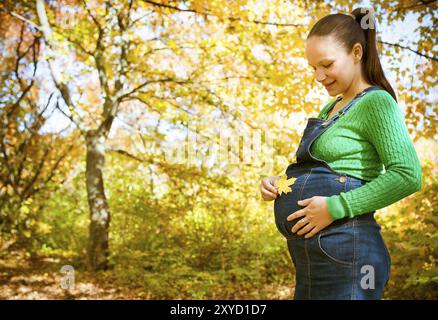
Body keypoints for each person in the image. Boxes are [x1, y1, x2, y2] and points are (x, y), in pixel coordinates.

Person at [259, 8, 422, 300]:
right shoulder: (331, 108)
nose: (319, 76)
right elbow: (317, 170)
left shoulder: (377, 102)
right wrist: (280, 185)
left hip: (348, 254)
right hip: (312, 258)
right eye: (313, 68)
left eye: (327, 64)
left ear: (357, 52)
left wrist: (336, 207)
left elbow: (407, 175)